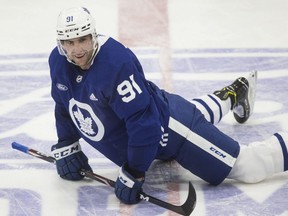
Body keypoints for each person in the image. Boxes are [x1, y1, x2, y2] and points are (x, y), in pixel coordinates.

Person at [49, 7, 288, 205]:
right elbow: (64, 104)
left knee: (248, 167)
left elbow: (145, 125)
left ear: (93, 36)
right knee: (190, 115)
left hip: (168, 131)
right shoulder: (58, 62)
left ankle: (235, 98)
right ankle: (235, 93)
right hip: (160, 120)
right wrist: (67, 144)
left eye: (82, 39)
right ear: (61, 43)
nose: (77, 49)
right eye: (69, 42)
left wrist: (135, 170)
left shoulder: (114, 63)